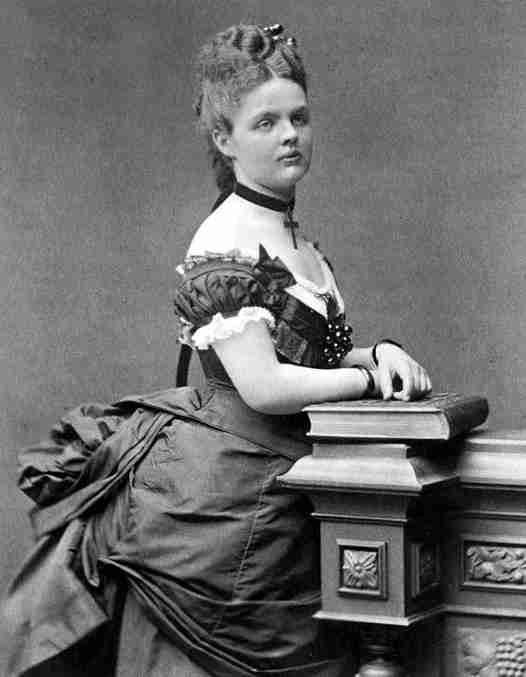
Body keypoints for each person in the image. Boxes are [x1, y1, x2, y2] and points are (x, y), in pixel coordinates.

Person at [3, 22, 431, 677]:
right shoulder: (225, 238)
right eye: (266, 123)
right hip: (228, 493)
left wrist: (378, 356)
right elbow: (265, 386)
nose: (289, 135)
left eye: (299, 117)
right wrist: (368, 383)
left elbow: (312, 361)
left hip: (294, 485)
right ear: (225, 139)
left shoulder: (298, 242)